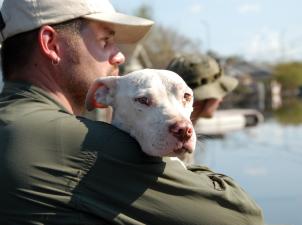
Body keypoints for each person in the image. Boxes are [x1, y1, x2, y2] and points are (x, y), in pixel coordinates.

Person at [0, 0, 264, 224]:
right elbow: (242, 215)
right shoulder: (75, 142)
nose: (119, 57)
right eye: (105, 41)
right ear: (51, 44)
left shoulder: (12, 121)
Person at [167, 54, 238, 124]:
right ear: (202, 99)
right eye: (219, 93)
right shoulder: (180, 133)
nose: (220, 100)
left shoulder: (167, 129)